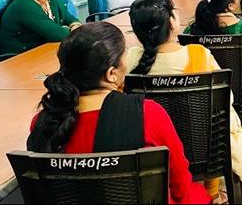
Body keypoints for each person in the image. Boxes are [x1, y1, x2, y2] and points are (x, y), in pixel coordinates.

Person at [26, 22, 211, 204]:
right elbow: (181, 188)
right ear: (111, 74)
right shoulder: (148, 114)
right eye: (124, 57)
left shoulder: (43, 122)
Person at [124, 0, 242, 198]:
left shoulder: (130, 59)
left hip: (152, 151)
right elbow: (225, 101)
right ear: (172, 22)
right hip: (206, 150)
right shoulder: (198, 54)